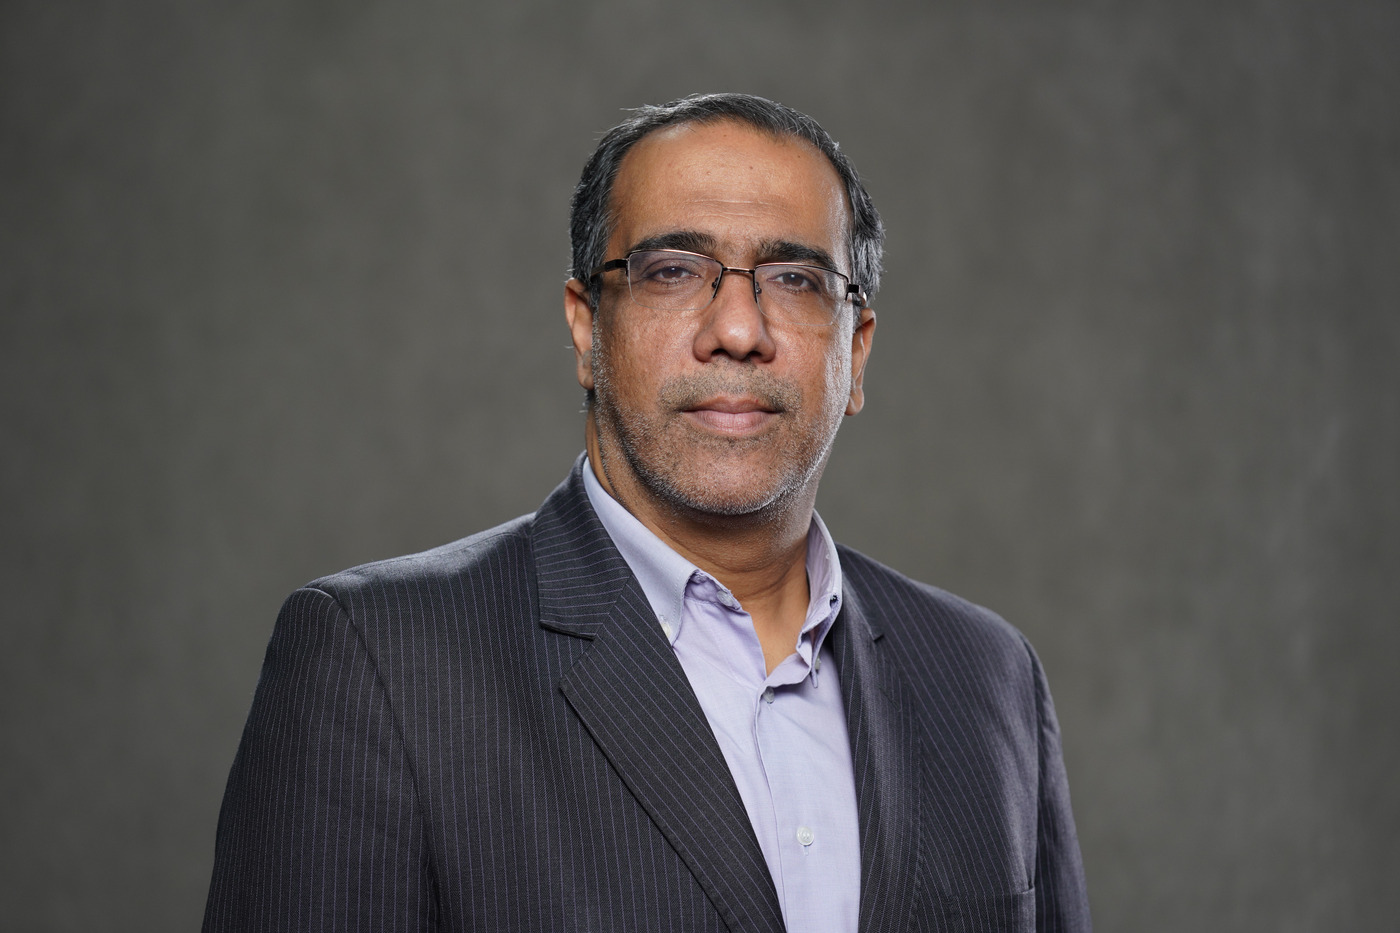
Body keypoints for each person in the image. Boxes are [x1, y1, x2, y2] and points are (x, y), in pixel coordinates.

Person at [204, 92, 1091, 932]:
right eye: (673, 271)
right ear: (587, 328)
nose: (737, 329)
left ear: (855, 353)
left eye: (794, 277)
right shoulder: (380, 664)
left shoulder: (987, 678)